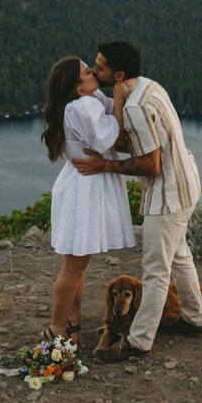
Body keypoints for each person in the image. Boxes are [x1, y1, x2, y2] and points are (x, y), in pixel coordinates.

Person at [72, 41, 202, 361]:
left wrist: (104, 165)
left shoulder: (133, 107)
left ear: (118, 75)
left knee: (155, 271)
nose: (93, 70)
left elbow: (149, 164)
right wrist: (115, 103)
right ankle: (195, 318)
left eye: (100, 67)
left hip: (168, 195)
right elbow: (129, 140)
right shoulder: (148, 86)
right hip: (188, 182)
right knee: (179, 256)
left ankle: (138, 341)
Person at [40, 55, 135, 344]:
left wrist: (117, 95)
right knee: (73, 266)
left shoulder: (87, 100)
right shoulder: (80, 107)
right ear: (76, 86)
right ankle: (57, 329)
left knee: (78, 265)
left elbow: (109, 111)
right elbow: (110, 138)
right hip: (83, 191)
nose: (93, 70)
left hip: (83, 187)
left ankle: (73, 327)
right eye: (86, 71)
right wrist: (118, 100)